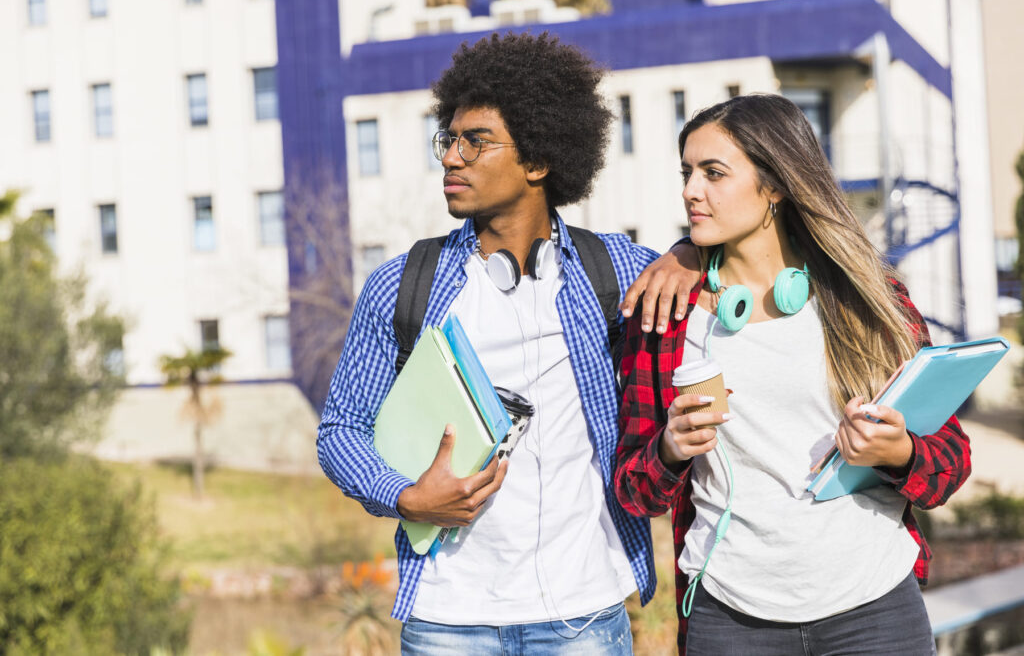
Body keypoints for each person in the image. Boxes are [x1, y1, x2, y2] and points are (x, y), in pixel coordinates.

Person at [317, 32, 698, 654]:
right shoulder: (401, 286)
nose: (452, 158)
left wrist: (687, 255)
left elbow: (732, 266)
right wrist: (407, 497)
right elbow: (340, 432)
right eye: (449, 139)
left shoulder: (617, 272)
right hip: (447, 618)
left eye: (477, 141)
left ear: (539, 160)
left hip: (583, 615)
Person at [614, 94, 971, 655]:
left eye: (713, 173)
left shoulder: (867, 297)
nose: (690, 190)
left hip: (874, 606)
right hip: (730, 617)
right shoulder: (667, 313)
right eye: (687, 172)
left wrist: (897, 451)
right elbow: (634, 491)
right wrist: (669, 450)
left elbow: (950, 461)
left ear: (775, 184)